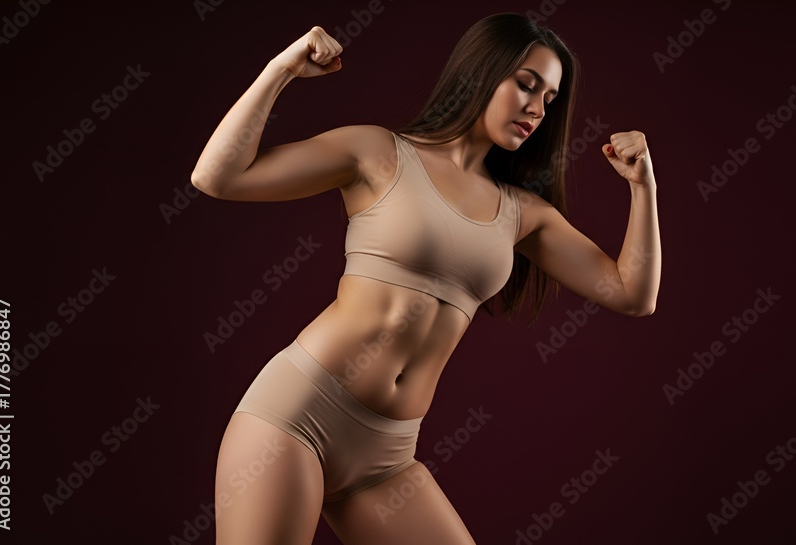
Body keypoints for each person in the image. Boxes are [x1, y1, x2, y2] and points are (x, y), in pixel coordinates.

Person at [191, 12, 660, 545]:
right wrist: (282, 69)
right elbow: (217, 176)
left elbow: (631, 294)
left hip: (388, 456)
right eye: (526, 85)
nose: (536, 107)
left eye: (549, 98)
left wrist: (642, 186)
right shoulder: (377, 152)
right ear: (481, 72)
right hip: (297, 415)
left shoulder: (522, 213)